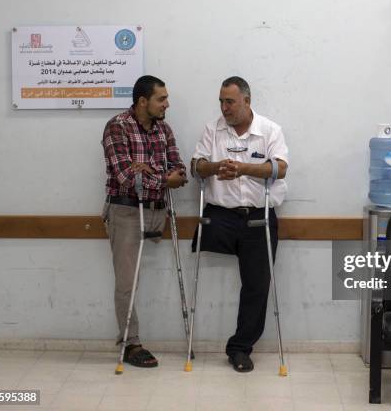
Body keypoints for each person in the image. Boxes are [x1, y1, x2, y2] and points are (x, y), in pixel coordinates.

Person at [191, 76, 288, 372]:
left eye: (230, 101)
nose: (224, 107)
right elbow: (196, 167)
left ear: (247, 101)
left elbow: (281, 169)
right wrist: (216, 167)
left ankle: (240, 348)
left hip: (258, 217)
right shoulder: (213, 129)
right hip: (221, 216)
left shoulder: (270, 130)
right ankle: (194, 340)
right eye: (221, 101)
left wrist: (243, 169)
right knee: (200, 268)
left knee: (257, 286)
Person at [101, 75, 187, 368]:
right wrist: (163, 177)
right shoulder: (118, 126)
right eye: (161, 99)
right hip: (125, 210)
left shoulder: (164, 129)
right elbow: (126, 176)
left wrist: (150, 172)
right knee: (127, 281)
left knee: (146, 275)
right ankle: (130, 343)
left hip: (157, 209)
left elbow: (180, 169)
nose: (167, 104)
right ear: (142, 101)